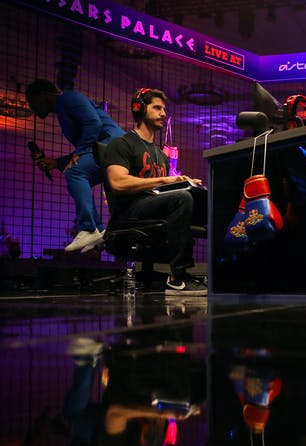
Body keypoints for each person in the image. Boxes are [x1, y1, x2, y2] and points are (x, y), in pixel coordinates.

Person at [104, 88, 206, 295]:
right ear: (139, 109)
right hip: (128, 213)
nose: (163, 113)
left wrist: (183, 182)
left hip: (151, 206)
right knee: (181, 198)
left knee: (200, 196)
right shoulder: (121, 144)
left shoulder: (160, 155)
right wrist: (165, 180)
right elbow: (117, 183)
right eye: (157, 108)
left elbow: (159, 190)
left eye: (164, 109)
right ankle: (178, 277)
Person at [25, 79, 125, 252]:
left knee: (74, 173)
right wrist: (57, 163)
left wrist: (78, 154)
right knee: (75, 182)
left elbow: (94, 123)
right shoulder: (63, 108)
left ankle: (87, 228)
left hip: (114, 147)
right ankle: (99, 231)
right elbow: (88, 147)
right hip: (110, 149)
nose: (32, 108)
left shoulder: (67, 98)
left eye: (32, 102)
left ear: (43, 95)